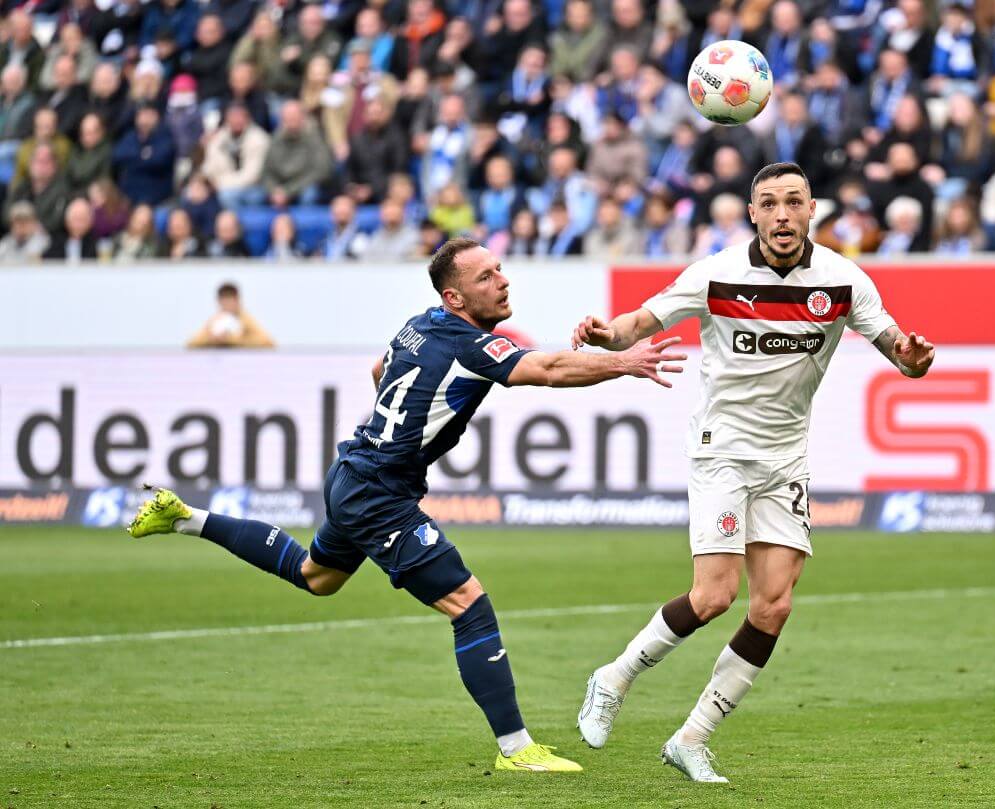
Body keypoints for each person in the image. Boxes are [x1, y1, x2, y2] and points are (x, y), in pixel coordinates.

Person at [128, 237, 687, 772]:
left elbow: (378, 372)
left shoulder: (419, 325)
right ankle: (516, 747)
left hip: (353, 473)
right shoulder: (473, 343)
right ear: (456, 297)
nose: (502, 280)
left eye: (500, 269)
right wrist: (623, 362)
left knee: (316, 576)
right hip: (379, 496)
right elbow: (545, 370)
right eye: (486, 276)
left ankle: (184, 517)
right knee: (469, 605)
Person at [571, 162, 935, 783]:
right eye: (769, 203)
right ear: (753, 213)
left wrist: (912, 357)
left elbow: (900, 352)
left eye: (793, 201)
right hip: (722, 449)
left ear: (812, 209)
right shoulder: (716, 274)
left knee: (773, 605)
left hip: (786, 456)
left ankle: (691, 737)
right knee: (714, 596)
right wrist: (608, 336)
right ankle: (614, 676)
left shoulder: (843, 281)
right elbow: (641, 322)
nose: (782, 214)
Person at [186, 282, 275, 348]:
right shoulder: (216, 321)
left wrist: (233, 340)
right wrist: (211, 339)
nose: (227, 306)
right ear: (219, 302)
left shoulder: (245, 319)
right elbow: (191, 344)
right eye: (224, 302)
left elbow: (268, 342)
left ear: (237, 300)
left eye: (230, 301)